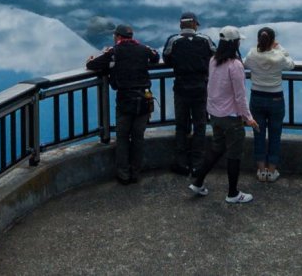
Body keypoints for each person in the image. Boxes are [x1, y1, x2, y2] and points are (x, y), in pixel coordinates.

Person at [188, 26, 259, 203]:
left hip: (215, 115)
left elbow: (212, 86)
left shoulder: (213, 60)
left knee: (217, 149)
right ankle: (233, 193)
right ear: (235, 43)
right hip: (231, 117)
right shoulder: (235, 66)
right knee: (234, 154)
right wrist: (248, 118)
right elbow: (240, 95)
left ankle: (198, 181)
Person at [86, 23, 160, 185]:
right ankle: (136, 173)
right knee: (138, 137)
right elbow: (156, 57)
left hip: (125, 99)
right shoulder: (143, 49)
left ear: (117, 37)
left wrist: (93, 58)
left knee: (123, 137)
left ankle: (123, 174)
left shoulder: (114, 52)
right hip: (143, 99)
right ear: (131, 36)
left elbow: (92, 65)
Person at [162, 11, 215, 175]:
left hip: (181, 88)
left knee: (181, 126)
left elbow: (166, 58)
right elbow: (214, 55)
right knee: (200, 125)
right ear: (195, 25)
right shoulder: (205, 40)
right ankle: (198, 164)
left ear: (180, 25)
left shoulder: (174, 40)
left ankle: (182, 163)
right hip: (200, 88)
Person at [245, 26, 294, 182]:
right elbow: (291, 64)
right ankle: (272, 171)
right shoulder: (279, 56)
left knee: (258, 134)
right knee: (275, 135)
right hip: (276, 99)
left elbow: (245, 64)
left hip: (257, 98)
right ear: (273, 41)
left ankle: (261, 171)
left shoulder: (252, 54)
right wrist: (279, 47)